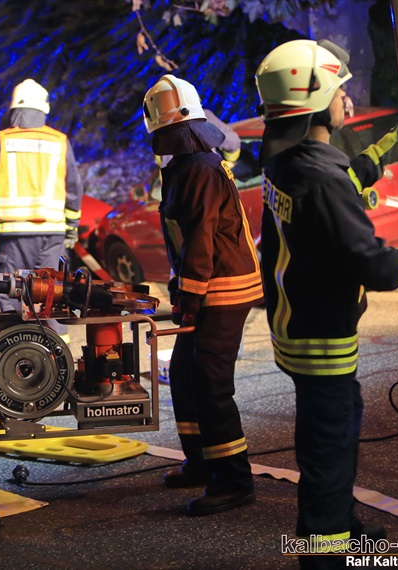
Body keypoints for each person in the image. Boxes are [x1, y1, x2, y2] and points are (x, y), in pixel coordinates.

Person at [255, 39, 398, 567]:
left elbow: (328, 194)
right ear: (316, 100)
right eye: (340, 90)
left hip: (297, 330)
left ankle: (344, 528)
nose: (348, 101)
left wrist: (374, 157)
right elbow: (375, 266)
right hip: (323, 340)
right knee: (330, 453)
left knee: (329, 445)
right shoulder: (318, 178)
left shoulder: (284, 162)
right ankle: (324, 554)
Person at [142, 75, 264, 516]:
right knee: (184, 373)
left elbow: (201, 238)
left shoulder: (199, 169)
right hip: (209, 286)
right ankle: (201, 462)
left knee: (211, 385)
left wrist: (189, 296)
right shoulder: (188, 165)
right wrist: (184, 289)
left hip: (224, 290)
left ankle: (233, 481)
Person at [0, 79, 83, 337]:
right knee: (53, 294)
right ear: (44, 109)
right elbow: (74, 185)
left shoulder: (2, 139)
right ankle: (59, 351)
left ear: (14, 109)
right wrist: (72, 226)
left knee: (13, 293)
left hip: (13, 232)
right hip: (52, 232)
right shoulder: (59, 140)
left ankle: (18, 350)